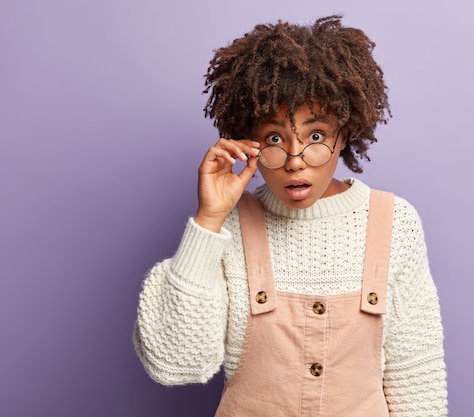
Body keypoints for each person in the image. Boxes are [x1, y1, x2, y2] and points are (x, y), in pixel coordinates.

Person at [134, 15, 447, 416]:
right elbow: (175, 364)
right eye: (275, 138)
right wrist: (209, 218)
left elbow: (416, 376)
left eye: (316, 136)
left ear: (345, 133)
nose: (295, 162)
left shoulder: (394, 222)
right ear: (249, 141)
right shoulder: (229, 226)